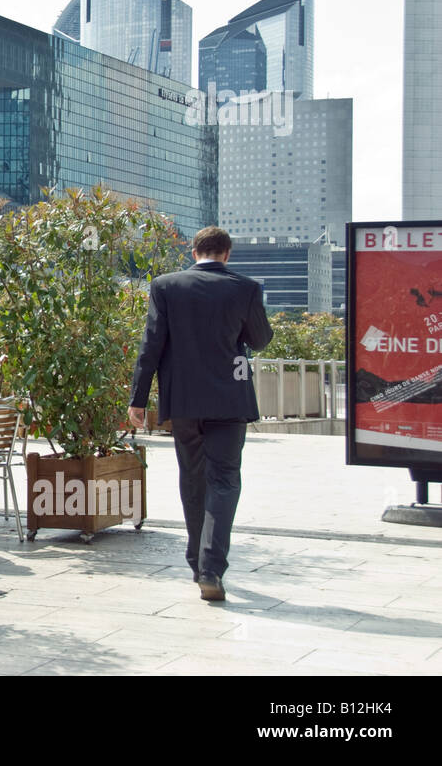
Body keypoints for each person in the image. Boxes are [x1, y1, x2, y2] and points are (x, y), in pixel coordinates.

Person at [128, 225, 273, 602]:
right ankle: (210, 567)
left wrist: (138, 399)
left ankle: (197, 564)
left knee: (193, 480)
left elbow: (152, 344)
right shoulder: (245, 288)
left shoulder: (165, 286)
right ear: (227, 254)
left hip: (184, 402)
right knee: (224, 480)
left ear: (194, 252)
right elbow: (260, 339)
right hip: (229, 401)